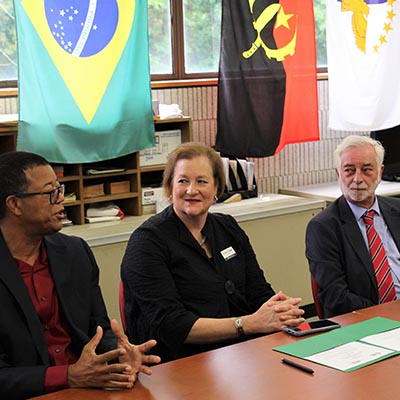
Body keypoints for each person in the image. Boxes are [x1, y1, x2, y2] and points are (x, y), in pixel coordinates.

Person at [121, 142, 305, 362]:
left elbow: (257, 291)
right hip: (177, 363)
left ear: (217, 187)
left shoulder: (227, 227)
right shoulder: (147, 242)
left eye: (201, 181)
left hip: (240, 356)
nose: (192, 190)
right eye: (183, 181)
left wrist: (279, 311)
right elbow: (171, 325)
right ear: (170, 188)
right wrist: (248, 324)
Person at [0, 151, 160, 400]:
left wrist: (120, 354)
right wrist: (69, 375)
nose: (61, 199)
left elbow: (99, 330)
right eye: (50, 192)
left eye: (60, 189)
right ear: (15, 204)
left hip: (87, 391)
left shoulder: (74, 252)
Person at [306, 135, 400, 318]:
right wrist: (390, 313)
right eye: (349, 170)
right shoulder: (323, 228)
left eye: (367, 170)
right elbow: (336, 297)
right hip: (367, 320)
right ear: (338, 173)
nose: (357, 179)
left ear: (380, 172)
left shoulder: (398, 210)